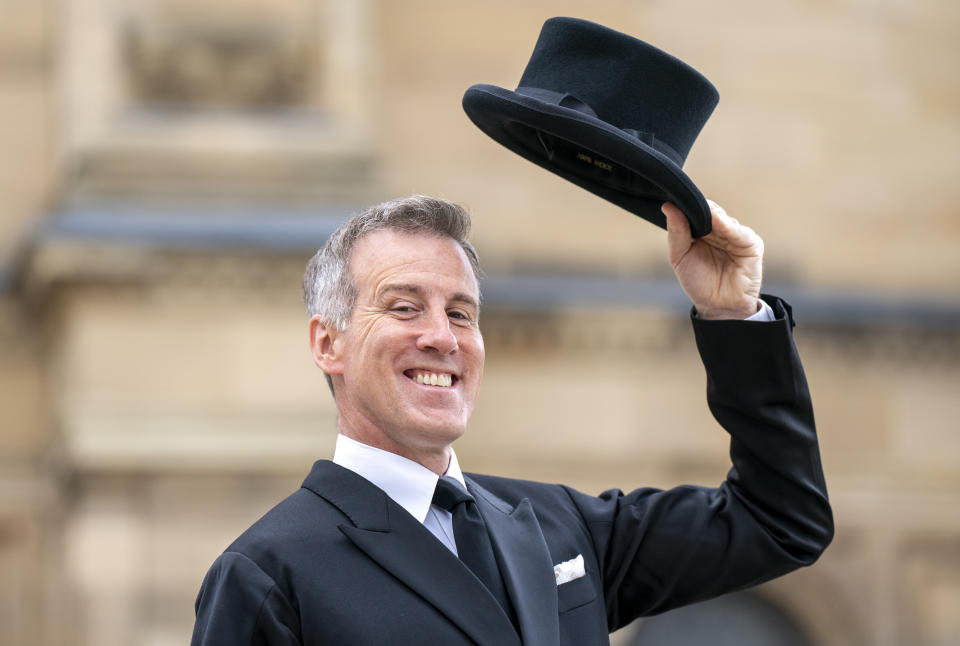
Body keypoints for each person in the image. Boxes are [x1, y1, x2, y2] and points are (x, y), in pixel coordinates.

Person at [191, 194, 833, 646]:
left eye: (462, 313)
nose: (443, 337)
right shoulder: (268, 573)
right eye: (405, 307)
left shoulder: (564, 529)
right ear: (327, 343)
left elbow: (781, 521)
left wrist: (733, 318)